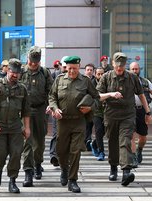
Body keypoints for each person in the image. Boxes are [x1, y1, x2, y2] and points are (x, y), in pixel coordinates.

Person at [96, 52, 152, 186]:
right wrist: (110, 94)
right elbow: (97, 96)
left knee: (125, 140)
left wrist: (148, 111)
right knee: (113, 142)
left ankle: (126, 171)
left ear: (125, 64)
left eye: (122, 66)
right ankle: (113, 167)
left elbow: (141, 95)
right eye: (117, 66)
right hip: (111, 115)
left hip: (128, 115)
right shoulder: (106, 77)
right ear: (113, 64)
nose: (119, 69)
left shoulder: (132, 77)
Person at [48, 56, 101, 193]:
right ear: (66, 67)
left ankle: (73, 180)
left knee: (75, 150)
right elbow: (52, 97)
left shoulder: (86, 81)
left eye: (75, 68)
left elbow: (96, 98)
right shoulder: (59, 79)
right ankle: (64, 170)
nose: (72, 71)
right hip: (62, 121)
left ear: (79, 67)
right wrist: (55, 108)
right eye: (69, 68)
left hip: (78, 121)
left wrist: (90, 108)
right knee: (61, 150)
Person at [0, 58, 31, 193]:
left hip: (15, 126)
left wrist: (27, 127)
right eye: (12, 72)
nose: (14, 75)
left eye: (17, 73)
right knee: (0, 153)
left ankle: (12, 181)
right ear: (7, 71)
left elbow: (26, 111)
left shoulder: (22, 88)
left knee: (16, 153)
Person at [20, 46, 53, 185]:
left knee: (39, 142)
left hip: (40, 111)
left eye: (36, 62)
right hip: (24, 111)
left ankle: (38, 164)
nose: (33, 64)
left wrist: (50, 105)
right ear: (27, 58)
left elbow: (51, 92)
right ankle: (28, 171)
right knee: (27, 141)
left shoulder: (45, 73)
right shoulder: (21, 72)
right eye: (31, 61)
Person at [129, 62, 152, 166]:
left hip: (142, 110)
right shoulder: (126, 82)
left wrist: (149, 112)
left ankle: (139, 150)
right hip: (129, 110)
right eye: (132, 69)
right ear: (129, 70)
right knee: (131, 135)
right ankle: (133, 157)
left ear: (139, 69)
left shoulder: (146, 82)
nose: (134, 71)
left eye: (136, 69)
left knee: (143, 137)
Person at [49, 56, 68, 167]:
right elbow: (51, 94)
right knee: (56, 134)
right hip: (57, 110)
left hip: (69, 112)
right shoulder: (54, 77)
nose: (66, 69)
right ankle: (53, 156)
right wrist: (52, 107)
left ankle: (64, 157)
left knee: (66, 135)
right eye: (64, 66)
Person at [90, 67, 106, 161]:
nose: (100, 76)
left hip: (107, 110)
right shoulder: (92, 83)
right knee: (99, 130)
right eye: (98, 74)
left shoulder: (108, 81)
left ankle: (94, 143)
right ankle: (101, 151)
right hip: (96, 110)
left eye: (102, 74)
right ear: (95, 74)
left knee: (105, 131)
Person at [83, 63, 95, 151]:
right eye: (88, 70)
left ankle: (88, 141)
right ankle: (84, 141)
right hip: (83, 105)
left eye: (91, 70)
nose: (89, 71)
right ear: (85, 71)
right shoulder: (81, 80)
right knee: (83, 125)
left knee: (90, 125)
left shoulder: (96, 81)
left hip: (92, 106)